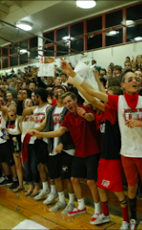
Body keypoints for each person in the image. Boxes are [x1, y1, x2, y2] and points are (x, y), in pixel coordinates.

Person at [61, 59, 142, 230]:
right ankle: (124, 218)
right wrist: (72, 75)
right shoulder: (116, 103)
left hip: (136, 152)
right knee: (121, 187)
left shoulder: (141, 102)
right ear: (123, 85)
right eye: (130, 79)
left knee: (141, 188)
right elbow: (91, 94)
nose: (134, 81)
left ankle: (140, 218)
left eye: (136, 78)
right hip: (121, 153)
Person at [30, 91, 103, 223]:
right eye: (65, 103)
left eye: (69, 101)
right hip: (79, 152)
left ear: (75, 100)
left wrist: (85, 115)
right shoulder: (68, 116)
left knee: (91, 182)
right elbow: (59, 131)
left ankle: (99, 210)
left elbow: (92, 117)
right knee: (74, 179)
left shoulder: (86, 109)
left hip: (92, 151)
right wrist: (40, 133)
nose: (68, 104)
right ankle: (81, 206)